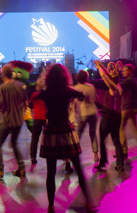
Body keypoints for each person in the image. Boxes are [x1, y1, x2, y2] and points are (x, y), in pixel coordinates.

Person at [36, 64, 96, 212]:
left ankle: (51, 206)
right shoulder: (68, 91)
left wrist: (41, 82)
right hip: (65, 130)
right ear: (64, 77)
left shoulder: (46, 92)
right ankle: (89, 202)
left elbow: (35, 92)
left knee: (51, 172)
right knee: (78, 168)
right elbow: (81, 96)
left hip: (51, 131)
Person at [0, 61, 30, 180]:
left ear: (4, 75)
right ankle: (21, 168)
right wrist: (20, 113)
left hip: (6, 120)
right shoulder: (20, 86)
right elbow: (26, 103)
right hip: (18, 121)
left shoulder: (2, 88)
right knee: (14, 142)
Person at [94, 60, 124, 171]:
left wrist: (98, 67)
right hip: (117, 116)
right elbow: (107, 74)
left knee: (102, 139)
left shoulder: (113, 87)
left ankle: (102, 162)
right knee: (116, 140)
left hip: (108, 117)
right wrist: (101, 65)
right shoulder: (119, 85)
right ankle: (120, 164)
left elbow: (104, 77)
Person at [118, 64, 137, 155]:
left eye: (124, 70)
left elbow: (118, 86)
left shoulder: (129, 81)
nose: (123, 72)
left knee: (121, 128)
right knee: (135, 127)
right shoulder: (134, 81)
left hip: (127, 108)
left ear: (130, 71)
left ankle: (124, 150)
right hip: (134, 107)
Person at [74, 70, 99, 162]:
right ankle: (96, 154)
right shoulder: (91, 86)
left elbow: (74, 102)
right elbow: (96, 98)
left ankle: (74, 153)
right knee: (93, 134)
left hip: (83, 113)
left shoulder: (76, 88)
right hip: (93, 112)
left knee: (78, 134)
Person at [29, 82, 47, 165]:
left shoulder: (34, 94)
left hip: (37, 118)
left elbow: (29, 102)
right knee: (48, 138)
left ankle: (33, 157)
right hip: (45, 118)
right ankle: (48, 154)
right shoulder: (45, 94)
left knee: (35, 138)